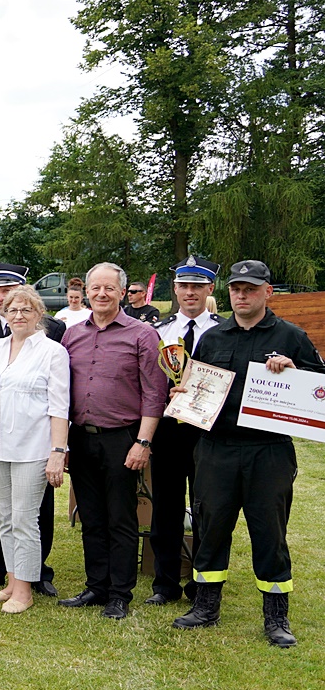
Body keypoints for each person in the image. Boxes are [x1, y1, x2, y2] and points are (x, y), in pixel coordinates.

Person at [173, 260, 324, 646]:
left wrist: (294, 370)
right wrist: (184, 396)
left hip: (268, 452)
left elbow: (319, 390)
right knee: (210, 529)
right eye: (236, 289)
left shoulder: (291, 336)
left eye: (251, 289)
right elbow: (198, 384)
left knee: (269, 533)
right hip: (216, 450)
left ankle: (276, 616)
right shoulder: (213, 336)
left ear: (267, 292)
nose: (242, 296)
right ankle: (206, 606)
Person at [59, 262, 166, 619]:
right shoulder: (72, 335)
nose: (101, 294)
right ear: (86, 292)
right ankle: (96, 586)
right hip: (81, 438)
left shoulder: (141, 334)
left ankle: (120, 593)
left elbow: (155, 393)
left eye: (109, 288)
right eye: (95, 288)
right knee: (91, 516)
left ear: (122, 292)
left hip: (123, 438)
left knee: (121, 517)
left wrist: (144, 442)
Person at [0, 285, 70, 614]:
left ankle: (25, 591)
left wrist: (58, 451)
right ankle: (12, 582)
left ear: (39, 314)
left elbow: (60, 407)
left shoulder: (52, 352)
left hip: (33, 447)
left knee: (25, 519)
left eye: (26, 310)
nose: (18, 315)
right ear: (4, 313)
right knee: (4, 517)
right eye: (13, 310)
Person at [147, 255, 222, 605]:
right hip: (168, 429)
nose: (190, 292)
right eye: (183, 286)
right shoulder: (158, 331)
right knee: (166, 507)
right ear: (174, 289)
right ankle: (164, 584)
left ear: (210, 288)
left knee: (206, 509)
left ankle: (201, 585)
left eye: (197, 286)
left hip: (210, 431)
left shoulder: (224, 331)